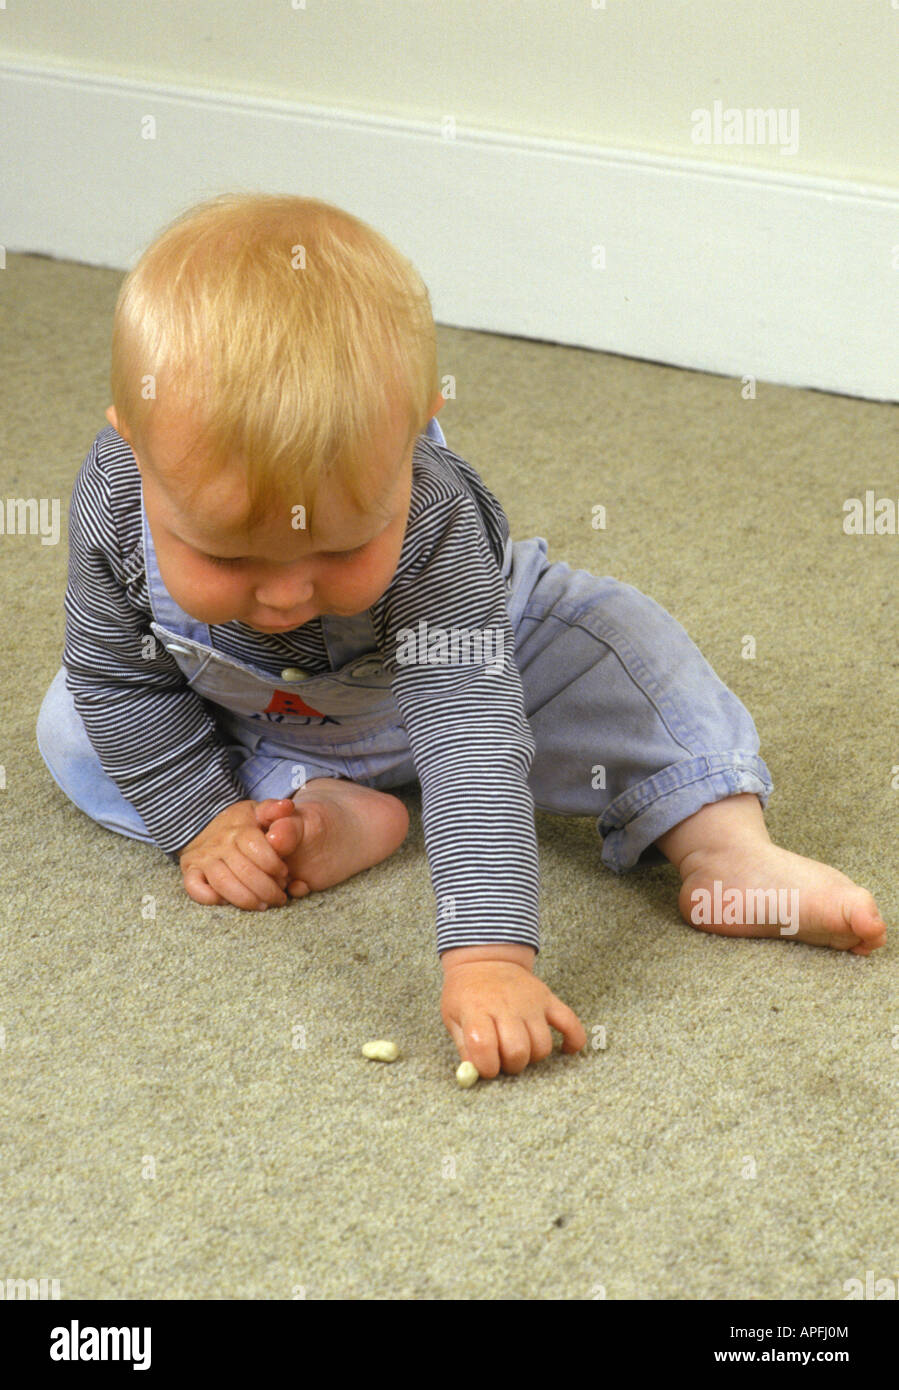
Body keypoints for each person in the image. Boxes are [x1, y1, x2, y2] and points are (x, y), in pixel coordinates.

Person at [37, 193, 887, 1081]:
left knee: (622, 643)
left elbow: (468, 734)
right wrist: (201, 822)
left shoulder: (436, 513)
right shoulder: (112, 499)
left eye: (341, 545)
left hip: (471, 677)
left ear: (412, 440)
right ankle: (297, 804)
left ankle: (723, 847)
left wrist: (488, 958)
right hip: (247, 711)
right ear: (132, 447)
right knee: (71, 722)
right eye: (226, 553)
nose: (287, 594)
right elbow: (120, 681)